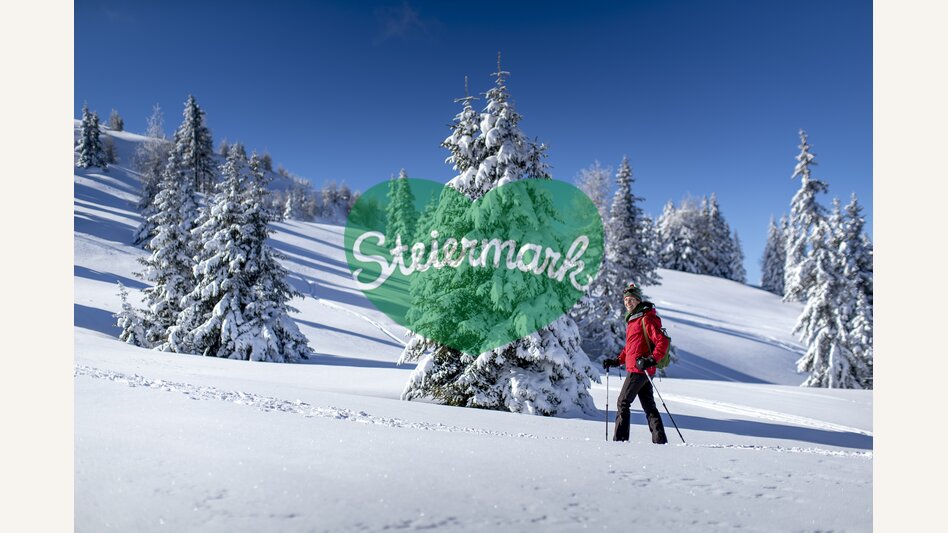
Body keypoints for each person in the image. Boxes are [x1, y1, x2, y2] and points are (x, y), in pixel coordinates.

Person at [602, 282, 669, 444]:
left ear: (638, 301)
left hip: (640, 370)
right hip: (641, 369)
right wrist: (617, 361)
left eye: (631, 299)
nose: (628, 303)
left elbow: (663, 341)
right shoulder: (633, 320)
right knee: (649, 407)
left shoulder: (646, 319)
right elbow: (631, 347)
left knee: (623, 402)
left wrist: (651, 359)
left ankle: (620, 441)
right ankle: (660, 441)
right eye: (626, 300)